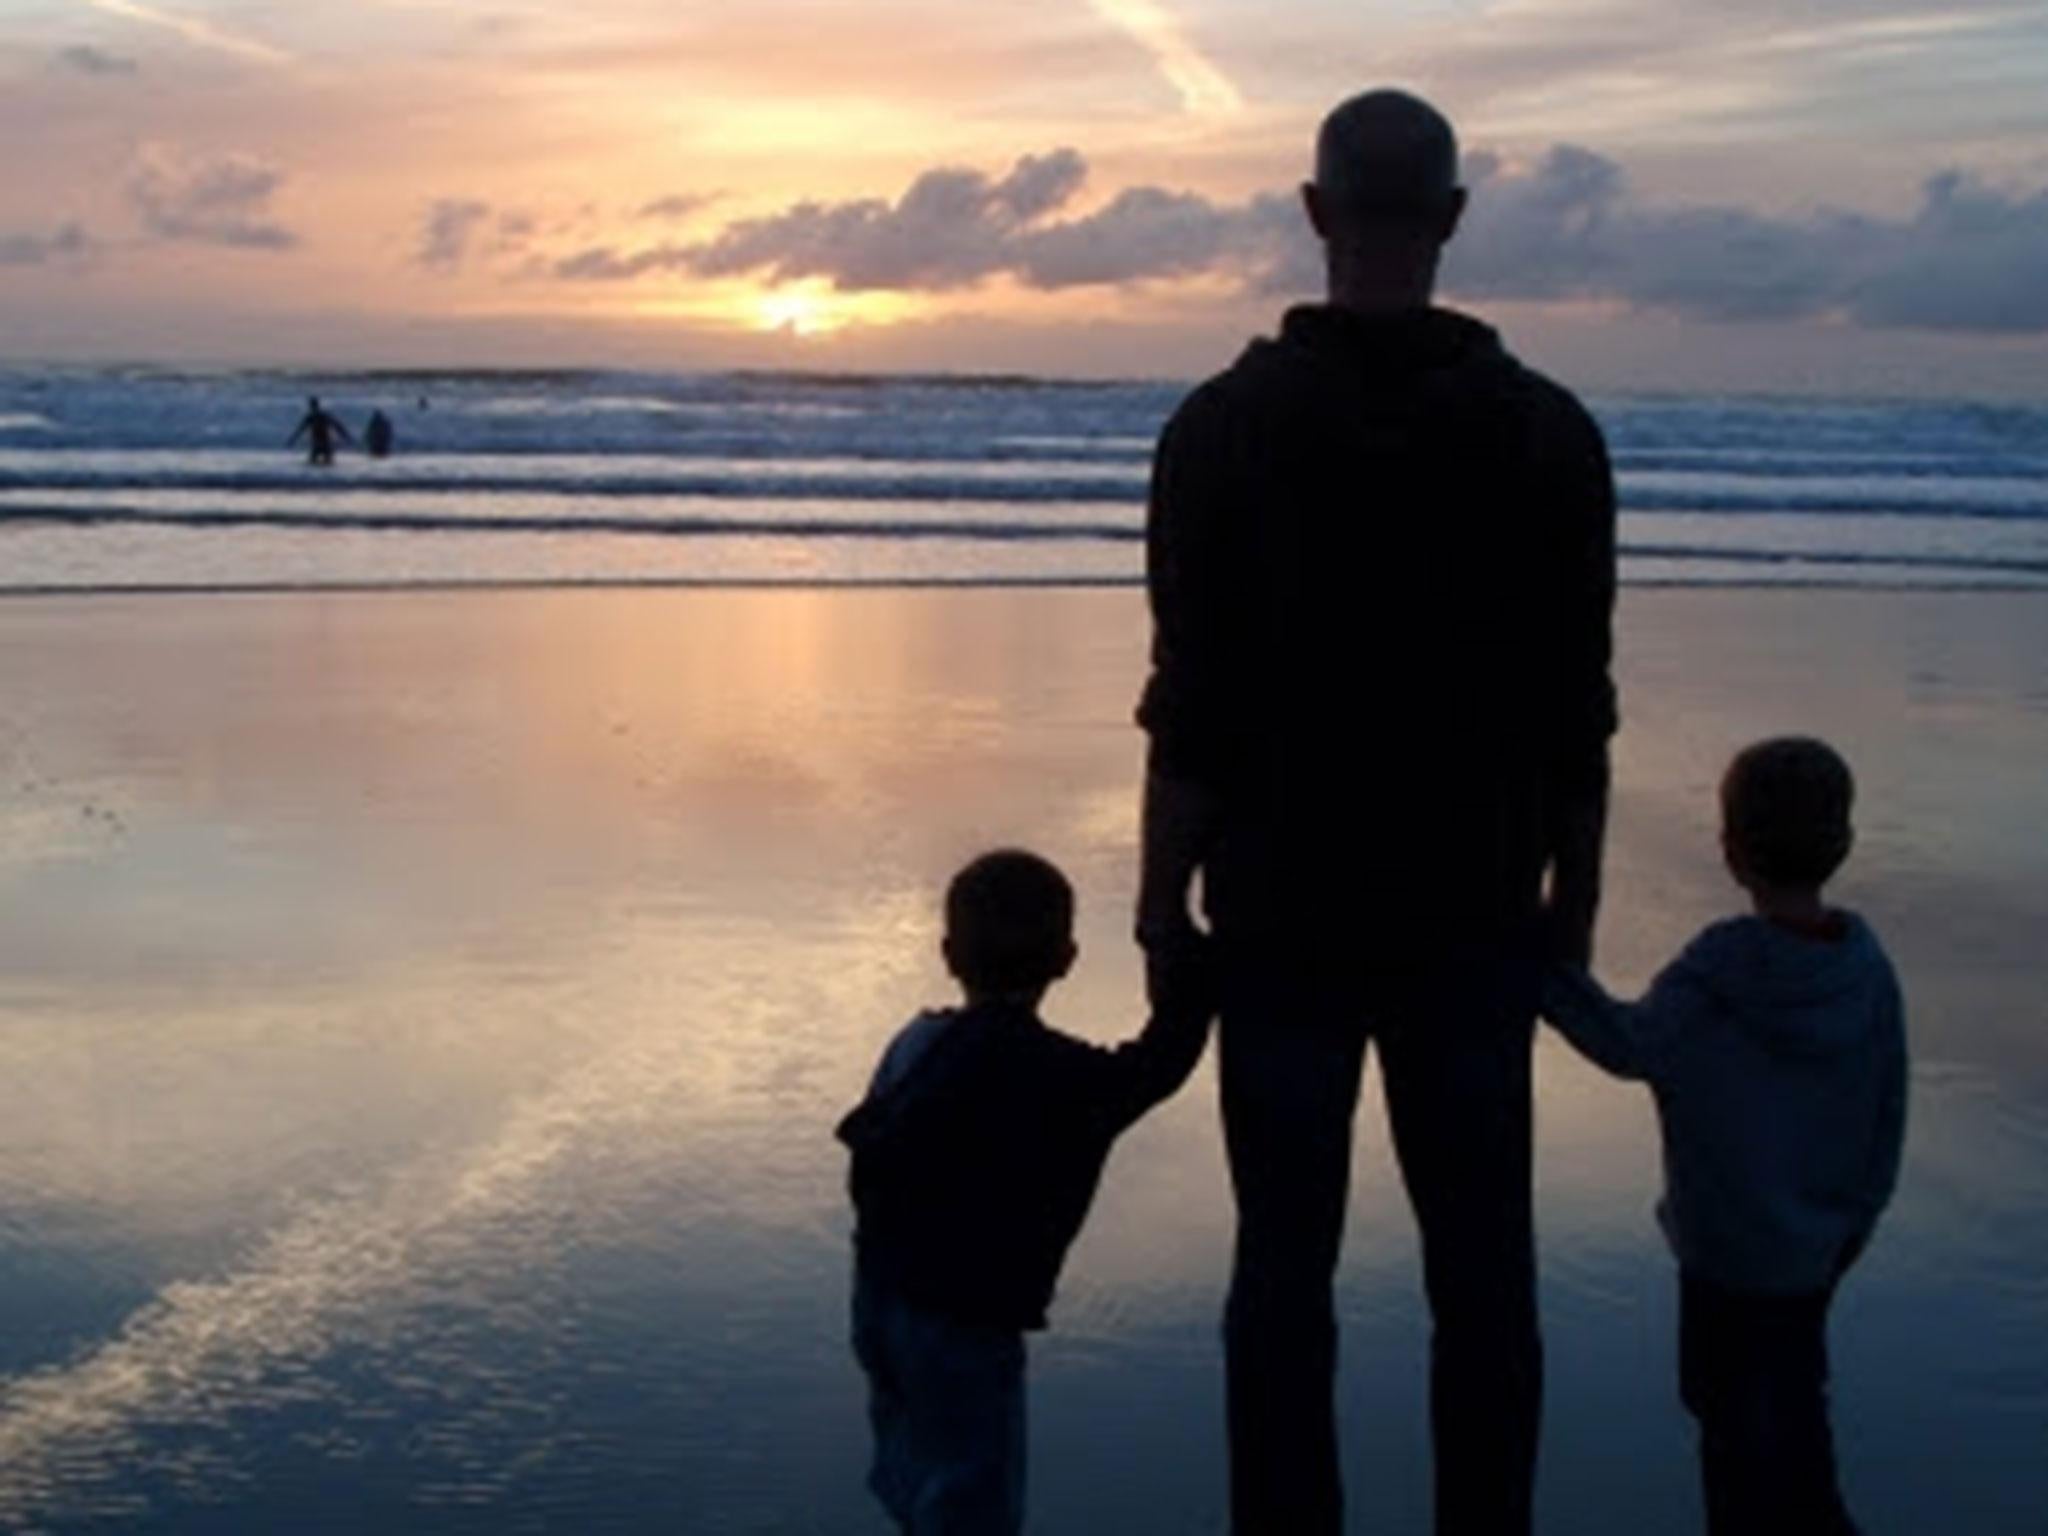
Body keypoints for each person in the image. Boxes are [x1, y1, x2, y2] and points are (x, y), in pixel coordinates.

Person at [1136, 88, 1617, 1535]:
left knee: (1282, 1274)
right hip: (1475, 910)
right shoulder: (1550, 438)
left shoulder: (1222, 431)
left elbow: (1191, 703)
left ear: (1314, 211)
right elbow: (1575, 709)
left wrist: (1163, 905)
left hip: (1280, 910)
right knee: (1485, 1285)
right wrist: (1571, 914)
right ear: (1454, 219)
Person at [1544, 737, 1906, 1536]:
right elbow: (1890, 1109)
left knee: (1728, 1432)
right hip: (1817, 1251)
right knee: (1797, 1418)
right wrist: (1858, 1220)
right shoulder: (1866, 972)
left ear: (1730, 851)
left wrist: (1545, 973)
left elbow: (1629, 1045)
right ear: (1841, 844)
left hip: (1726, 1257)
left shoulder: (1721, 969)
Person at [838, 850, 1215, 1535]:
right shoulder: (1065, 1078)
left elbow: (865, 1157)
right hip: (970, 1321)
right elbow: (1159, 1064)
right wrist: (1188, 966)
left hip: (882, 1299)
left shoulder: (915, 1042)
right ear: (1067, 958)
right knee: (973, 1492)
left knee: (915, 1469)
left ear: (949, 953)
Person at [286, 396, 353, 466]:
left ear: (311, 406)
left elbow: (299, 431)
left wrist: (291, 441)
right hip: (325, 444)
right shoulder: (323, 416)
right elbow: (338, 427)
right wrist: (348, 438)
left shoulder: (310, 417)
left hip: (319, 444)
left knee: (313, 463)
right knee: (327, 463)